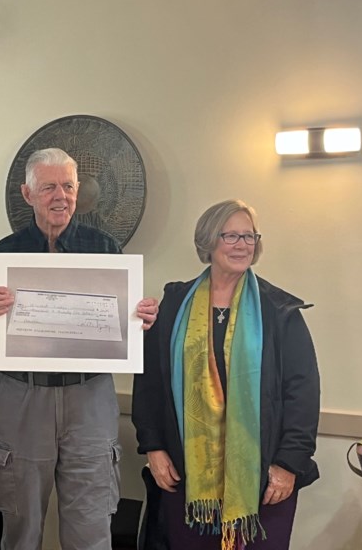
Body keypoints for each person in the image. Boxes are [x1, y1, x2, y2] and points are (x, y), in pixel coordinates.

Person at [0, 147, 159, 550]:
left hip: (89, 399)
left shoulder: (105, 249)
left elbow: (123, 338)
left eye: (68, 186)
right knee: (20, 528)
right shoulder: (4, 254)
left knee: (91, 528)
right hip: (21, 399)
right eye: (49, 186)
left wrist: (142, 321)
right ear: (27, 193)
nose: (61, 196)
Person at [132, 199, 320, 550]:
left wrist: (288, 464)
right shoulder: (173, 303)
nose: (242, 245)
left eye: (249, 236)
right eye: (231, 235)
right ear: (208, 241)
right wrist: (153, 448)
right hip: (185, 475)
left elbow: (303, 393)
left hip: (263, 480)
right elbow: (150, 384)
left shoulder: (280, 311)